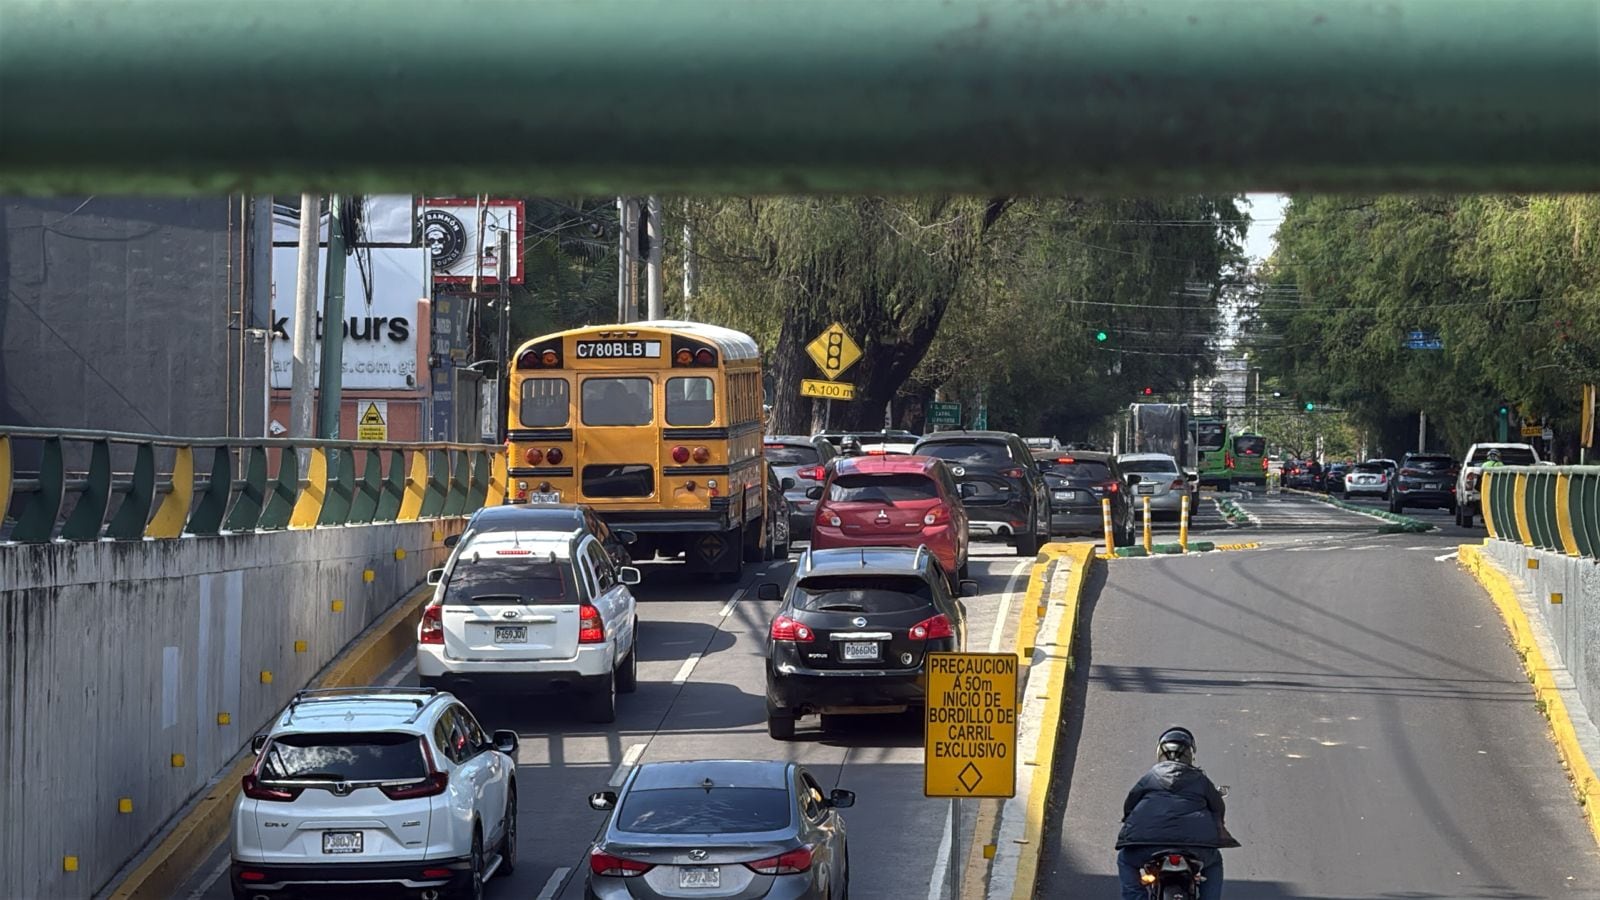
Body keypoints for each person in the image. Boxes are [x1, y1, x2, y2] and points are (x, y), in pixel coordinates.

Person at [1115, 726, 1235, 900]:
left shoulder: (1151, 777)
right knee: (1214, 862)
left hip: (1147, 845)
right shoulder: (1201, 780)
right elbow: (1218, 808)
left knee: (1125, 860)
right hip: (1197, 848)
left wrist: (1128, 819)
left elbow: (1130, 803)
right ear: (1190, 754)